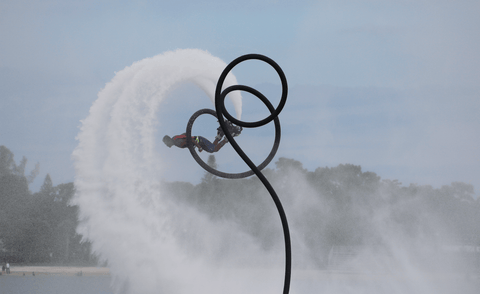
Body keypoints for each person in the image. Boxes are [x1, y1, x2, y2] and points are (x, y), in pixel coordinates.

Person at [163, 120, 242, 153]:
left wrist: (198, 147)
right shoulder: (175, 138)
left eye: (166, 144)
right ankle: (220, 135)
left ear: (168, 140)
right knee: (213, 147)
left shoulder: (177, 142)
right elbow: (185, 134)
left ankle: (227, 138)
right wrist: (192, 146)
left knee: (214, 149)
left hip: (199, 141)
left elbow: (189, 139)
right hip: (199, 140)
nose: (167, 146)